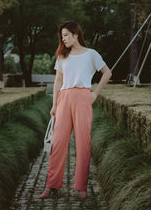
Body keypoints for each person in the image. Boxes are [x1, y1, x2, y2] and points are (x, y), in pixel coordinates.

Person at [40, 21, 112, 199]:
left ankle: (81, 187)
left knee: (83, 143)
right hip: (64, 98)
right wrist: (54, 104)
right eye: (61, 36)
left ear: (76, 34)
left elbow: (107, 73)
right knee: (57, 143)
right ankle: (51, 185)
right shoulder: (62, 56)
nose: (63, 39)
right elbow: (58, 81)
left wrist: (95, 94)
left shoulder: (91, 54)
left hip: (82, 98)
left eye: (65, 35)